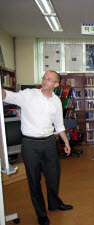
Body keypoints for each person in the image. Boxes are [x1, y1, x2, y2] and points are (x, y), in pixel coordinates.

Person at [2, 70, 73, 225]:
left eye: (49, 79)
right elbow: (8, 95)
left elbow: (59, 125)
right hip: (29, 144)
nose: (45, 81)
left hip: (49, 143)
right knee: (34, 181)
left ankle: (54, 204)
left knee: (53, 177)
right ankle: (41, 214)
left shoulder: (56, 101)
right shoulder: (29, 95)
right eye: (44, 78)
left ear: (55, 84)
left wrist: (66, 142)